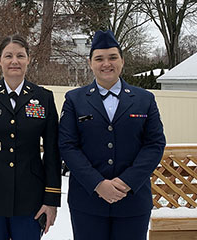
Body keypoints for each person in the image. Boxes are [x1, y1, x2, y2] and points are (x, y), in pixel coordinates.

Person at [58, 30, 166, 240]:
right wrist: (98, 184)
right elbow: (68, 146)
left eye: (112, 57)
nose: (106, 63)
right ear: (90, 63)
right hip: (87, 203)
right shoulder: (74, 99)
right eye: (99, 58)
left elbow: (154, 144)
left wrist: (126, 182)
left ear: (122, 61)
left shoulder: (145, 99)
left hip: (132, 202)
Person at [0, 34, 61, 240]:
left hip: (31, 198)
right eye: (8, 56)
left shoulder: (43, 98)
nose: (14, 61)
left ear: (28, 59)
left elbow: (52, 153)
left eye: (20, 56)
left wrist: (50, 199)